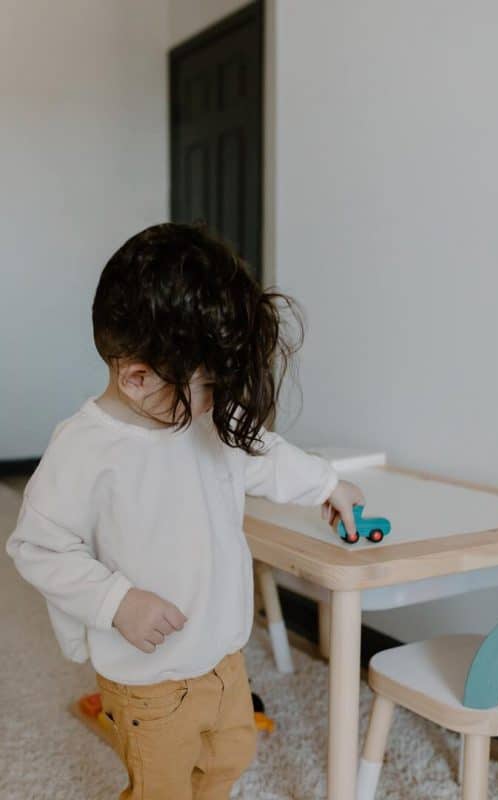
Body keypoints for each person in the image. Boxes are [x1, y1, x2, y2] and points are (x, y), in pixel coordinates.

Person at [6, 222, 364, 800]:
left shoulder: (207, 419)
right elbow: (37, 546)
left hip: (222, 655)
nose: (219, 403)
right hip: (148, 681)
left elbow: (261, 451)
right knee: (163, 786)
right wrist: (117, 602)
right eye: (207, 385)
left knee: (229, 757)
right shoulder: (86, 447)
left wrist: (326, 485)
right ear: (138, 377)